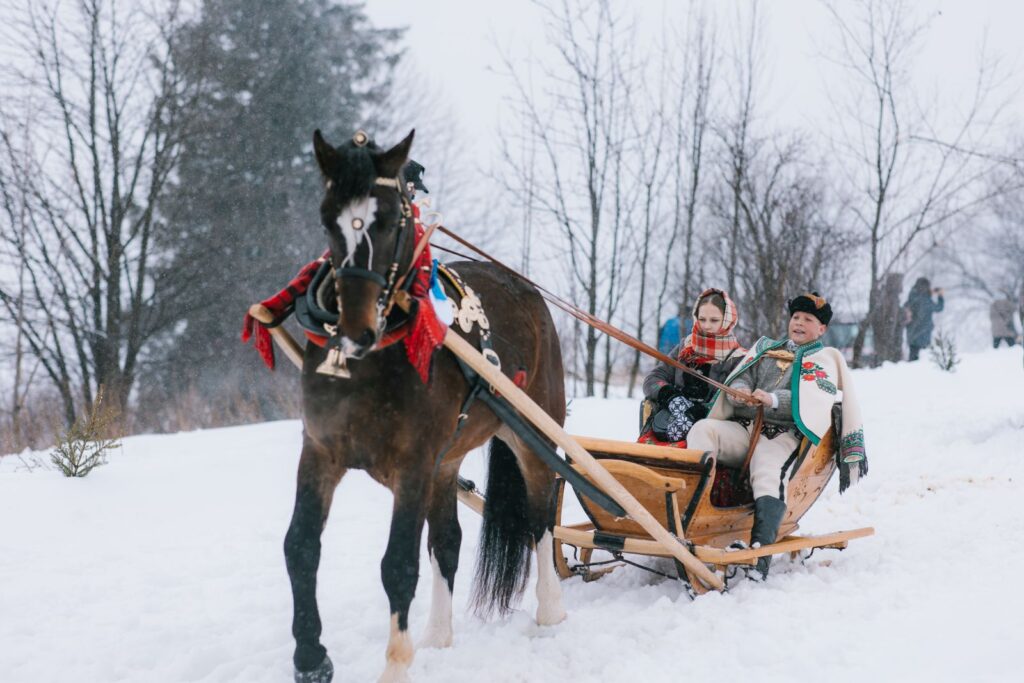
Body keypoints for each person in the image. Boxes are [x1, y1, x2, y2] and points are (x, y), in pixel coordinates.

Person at [687, 292, 867, 578]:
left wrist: (771, 399)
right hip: (745, 428)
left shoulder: (824, 360)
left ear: (821, 329)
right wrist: (741, 391)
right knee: (703, 430)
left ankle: (761, 551)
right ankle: (694, 512)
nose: (799, 323)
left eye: (807, 320)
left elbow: (811, 401)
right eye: (796, 317)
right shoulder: (766, 348)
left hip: (781, 434)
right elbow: (743, 375)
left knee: (767, 471)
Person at [641, 289, 744, 445]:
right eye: (702, 319)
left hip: (712, 432)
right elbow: (653, 379)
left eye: (714, 320)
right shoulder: (685, 346)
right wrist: (672, 398)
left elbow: (736, 402)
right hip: (671, 421)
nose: (706, 326)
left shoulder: (736, 357)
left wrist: (699, 413)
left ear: (727, 321)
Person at [903, 277, 944, 361]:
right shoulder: (926, 300)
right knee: (923, 359)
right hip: (923, 334)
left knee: (913, 356)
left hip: (912, 333)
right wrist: (940, 296)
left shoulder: (912, 297)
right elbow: (939, 308)